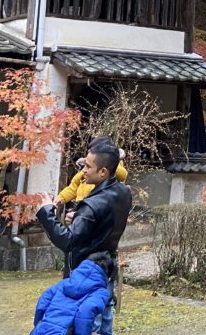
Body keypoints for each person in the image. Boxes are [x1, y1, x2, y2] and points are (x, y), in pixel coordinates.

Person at [37, 140, 132, 335]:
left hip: (85, 273)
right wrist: (80, 218)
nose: (83, 171)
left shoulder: (93, 204)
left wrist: (46, 212)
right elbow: (107, 221)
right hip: (107, 266)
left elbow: (68, 241)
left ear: (103, 172)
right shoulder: (124, 192)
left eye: (88, 167)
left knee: (87, 324)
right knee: (105, 318)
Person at [31, 251, 114, 335]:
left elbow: (43, 301)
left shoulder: (64, 283)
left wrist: (38, 325)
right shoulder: (101, 292)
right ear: (108, 277)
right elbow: (86, 311)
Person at [56, 138, 128, 210]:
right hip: (80, 204)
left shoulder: (108, 172)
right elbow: (73, 187)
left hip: (94, 206)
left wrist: (110, 163)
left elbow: (122, 176)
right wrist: (61, 198)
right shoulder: (86, 170)